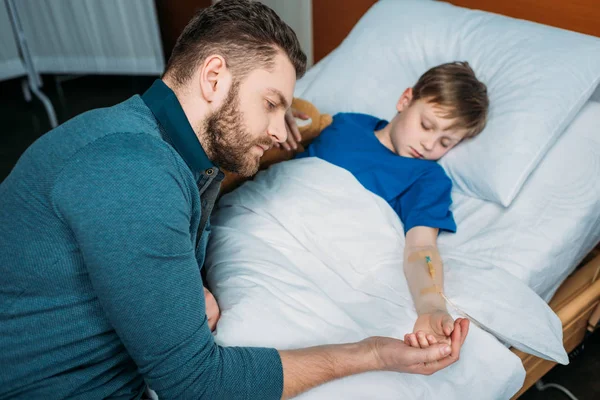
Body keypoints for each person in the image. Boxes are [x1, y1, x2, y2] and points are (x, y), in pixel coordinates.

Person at [0, 1, 469, 399]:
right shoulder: (131, 170)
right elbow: (197, 383)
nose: (275, 128)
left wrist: (186, 288)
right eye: (270, 104)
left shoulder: (175, 157)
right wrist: (372, 352)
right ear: (214, 76)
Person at [296, 61, 488, 349]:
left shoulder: (428, 178)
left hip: (320, 255)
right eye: (426, 125)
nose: (428, 145)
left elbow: (421, 247)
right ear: (405, 100)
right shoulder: (346, 124)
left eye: (445, 142)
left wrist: (431, 307)